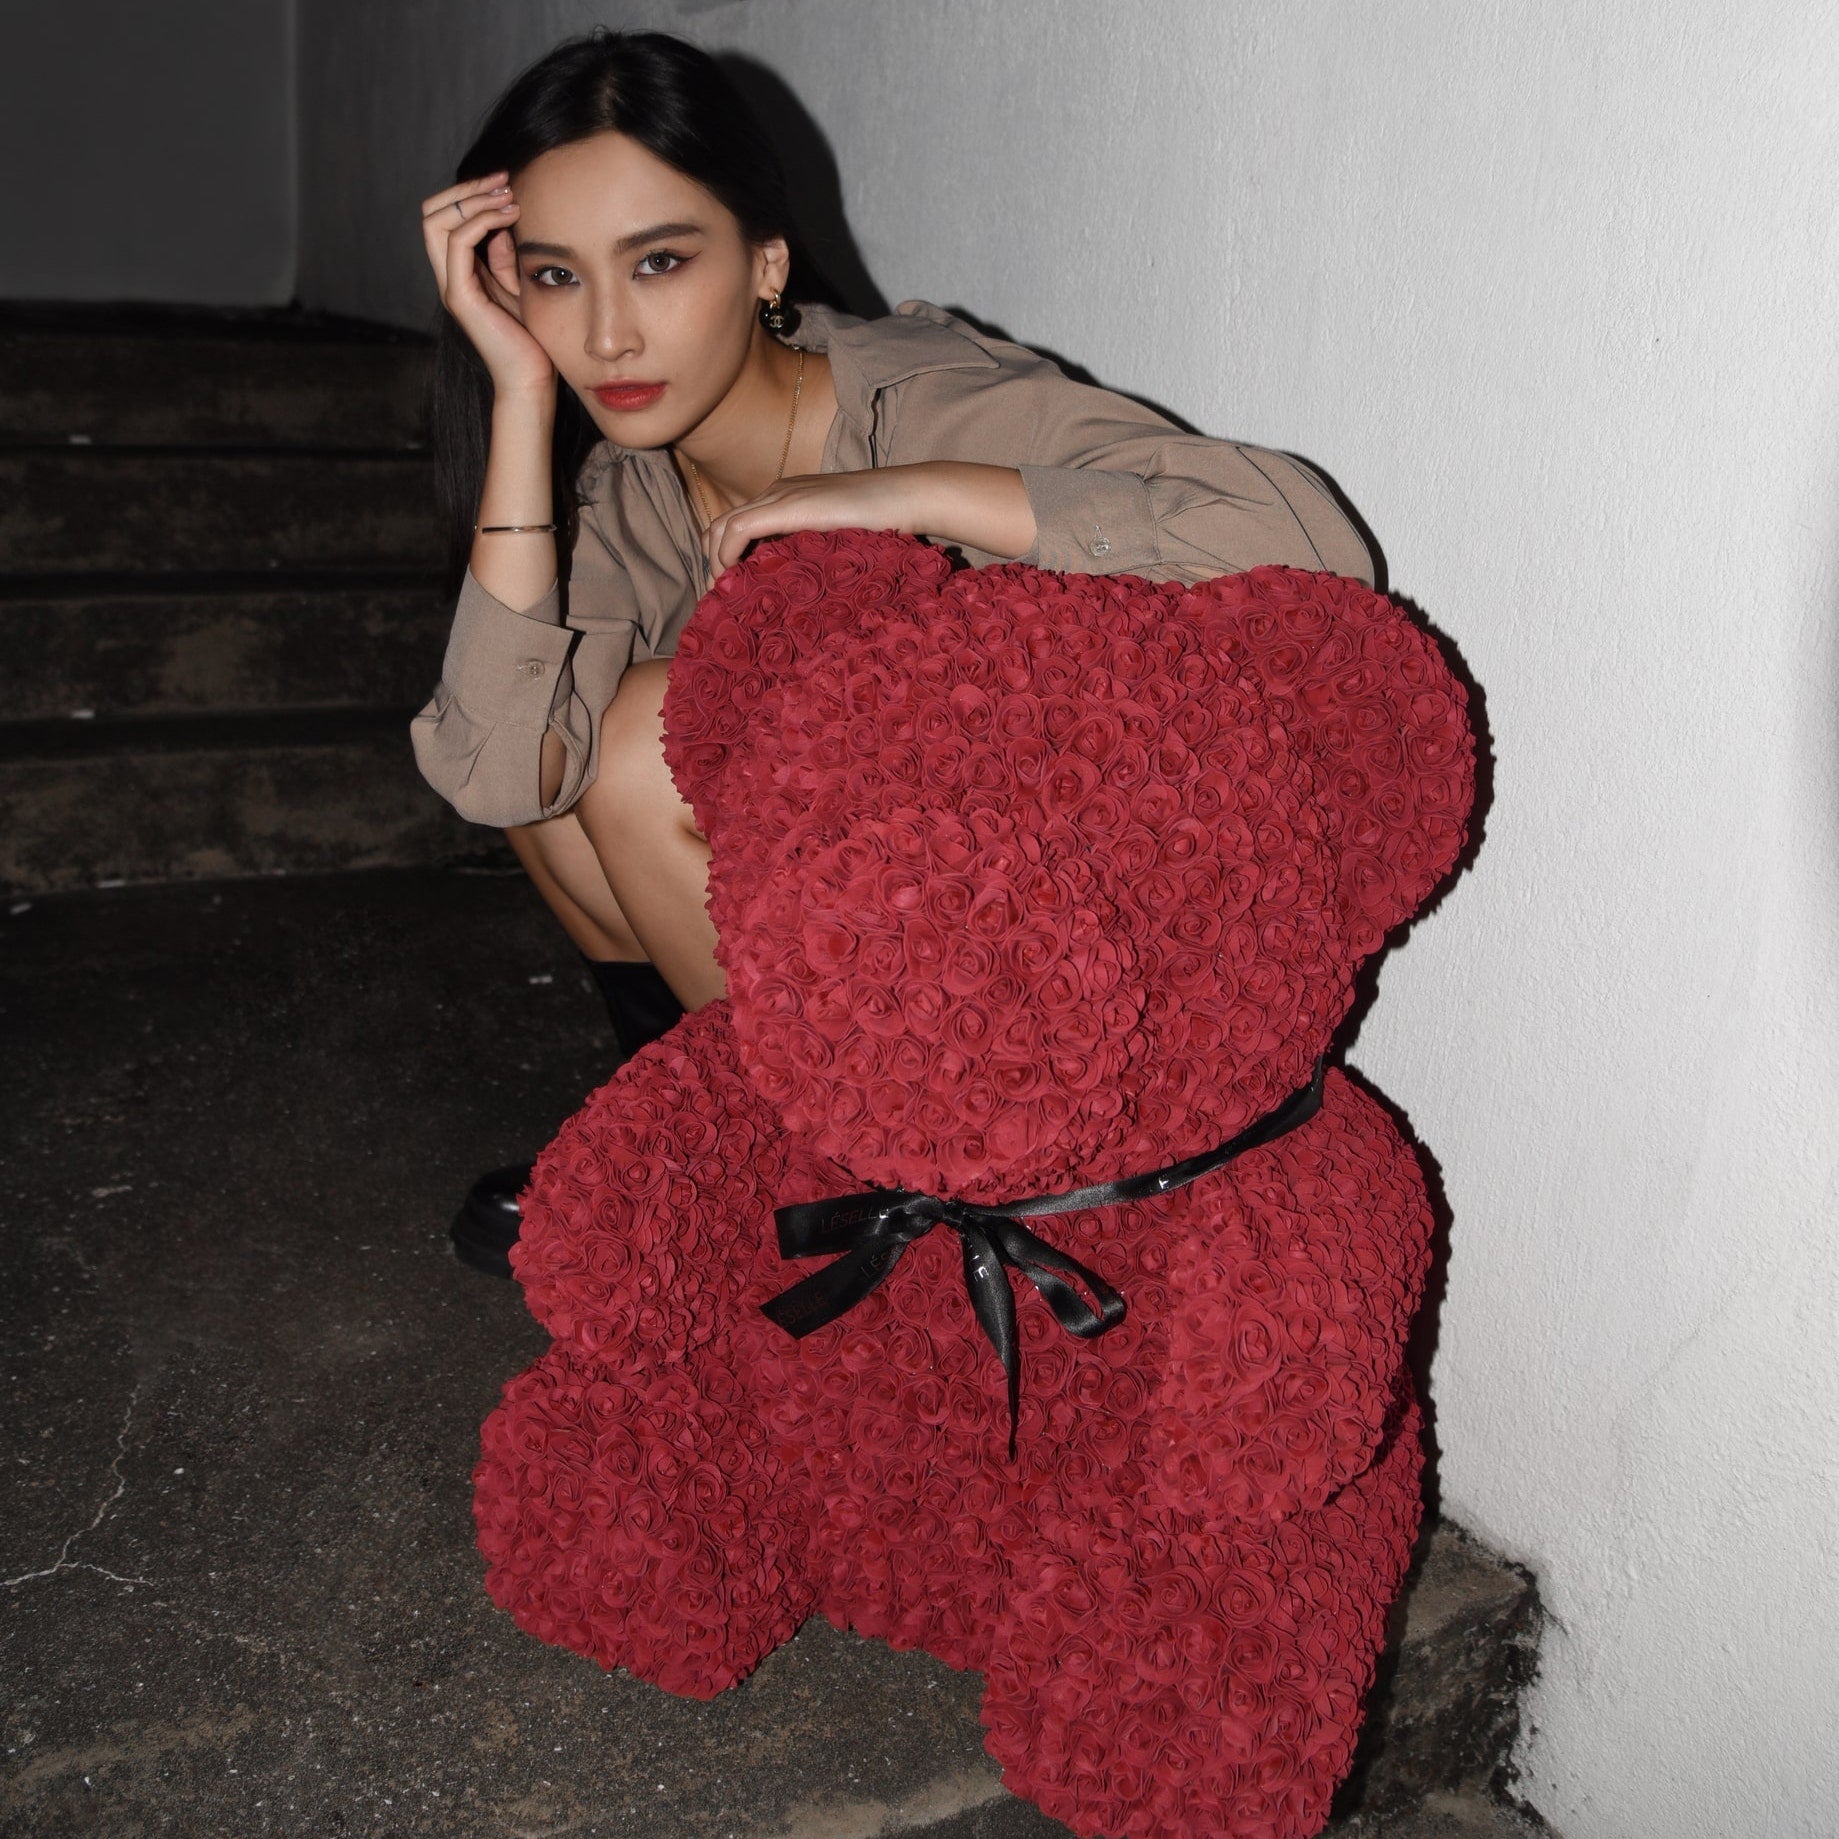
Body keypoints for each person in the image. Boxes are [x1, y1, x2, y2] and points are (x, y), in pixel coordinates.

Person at [413, 27, 1374, 1278]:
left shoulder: (912, 393)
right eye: (554, 278)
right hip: (838, 966)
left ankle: (857, 1192)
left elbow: (1308, 544)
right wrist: (518, 397)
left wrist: (906, 491)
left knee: (637, 740)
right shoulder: (629, 496)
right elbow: (498, 770)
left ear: (764, 261)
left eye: (658, 262)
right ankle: (708, 1136)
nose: (607, 335)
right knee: (558, 732)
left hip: (1045, 959)